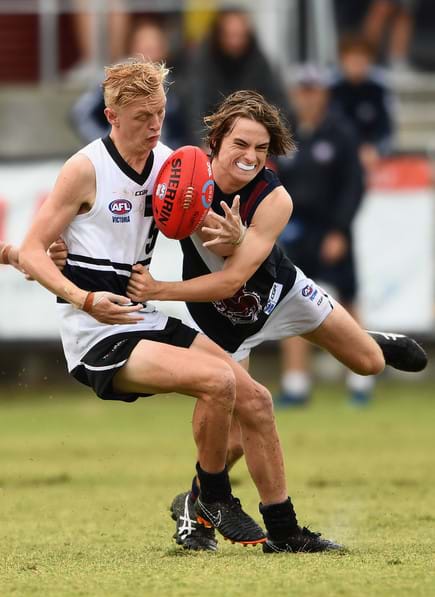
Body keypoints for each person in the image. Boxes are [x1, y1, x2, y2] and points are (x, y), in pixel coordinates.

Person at [0, 61, 343, 554]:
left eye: (160, 112)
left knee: (257, 400)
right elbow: (35, 249)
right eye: (143, 116)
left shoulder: (170, 164)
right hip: (96, 332)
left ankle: (284, 532)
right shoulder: (85, 169)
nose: (155, 125)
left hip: (143, 315)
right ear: (112, 116)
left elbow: (206, 226)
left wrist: (235, 237)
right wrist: (85, 298)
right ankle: (214, 499)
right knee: (219, 381)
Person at [101, 90, 426, 549]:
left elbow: (233, 280)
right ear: (216, 141)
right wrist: (64, 250)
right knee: (231, 436)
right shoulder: (185, 179)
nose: (251, 156)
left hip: (281, 294)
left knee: (370, 364)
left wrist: (160, 289)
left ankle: (361, 338)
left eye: (261, 147)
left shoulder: (275, 199)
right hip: (221, 323)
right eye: (241, 144)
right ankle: (196, 504)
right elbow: (117, 210)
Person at [276, 64, 374, 405]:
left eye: (314, 90)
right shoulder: (286, 134)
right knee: (290, 303)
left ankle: (361, 380)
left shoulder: (340, 132)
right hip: (294, 231)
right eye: (303, 90)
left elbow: (354, 185)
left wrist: (340, 230)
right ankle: (295, 383)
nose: (308, 97)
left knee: (346, 300)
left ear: (324, 93)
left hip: (331, 228)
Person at [71, 19, 190, 149]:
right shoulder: (116, 80)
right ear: (132, 47)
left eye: (155, 46)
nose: (149, 52)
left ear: (164, 50)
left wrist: (174, 151)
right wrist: (106, 145)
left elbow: (182, 130)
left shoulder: (172, 84)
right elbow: (81, 113)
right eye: (145, 46)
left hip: (162, 157)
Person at [185, 7, 288, 144]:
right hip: (213, 138)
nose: (235, 42)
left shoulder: (259, 63)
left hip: (254, 137)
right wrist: (204, 142)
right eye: (230, 35)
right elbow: (195, 107)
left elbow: (277, 104)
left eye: (240, 36)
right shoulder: (203, 64)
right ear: (219, 35)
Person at [330, 35, 395, 170]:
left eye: (361, 58)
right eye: (352, 58)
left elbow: (386, 129)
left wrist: (376, 149)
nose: (357, 63)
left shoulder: (379, 90)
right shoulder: (330, 90)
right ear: (342, 60)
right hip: (337, 155)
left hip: (371, 156)